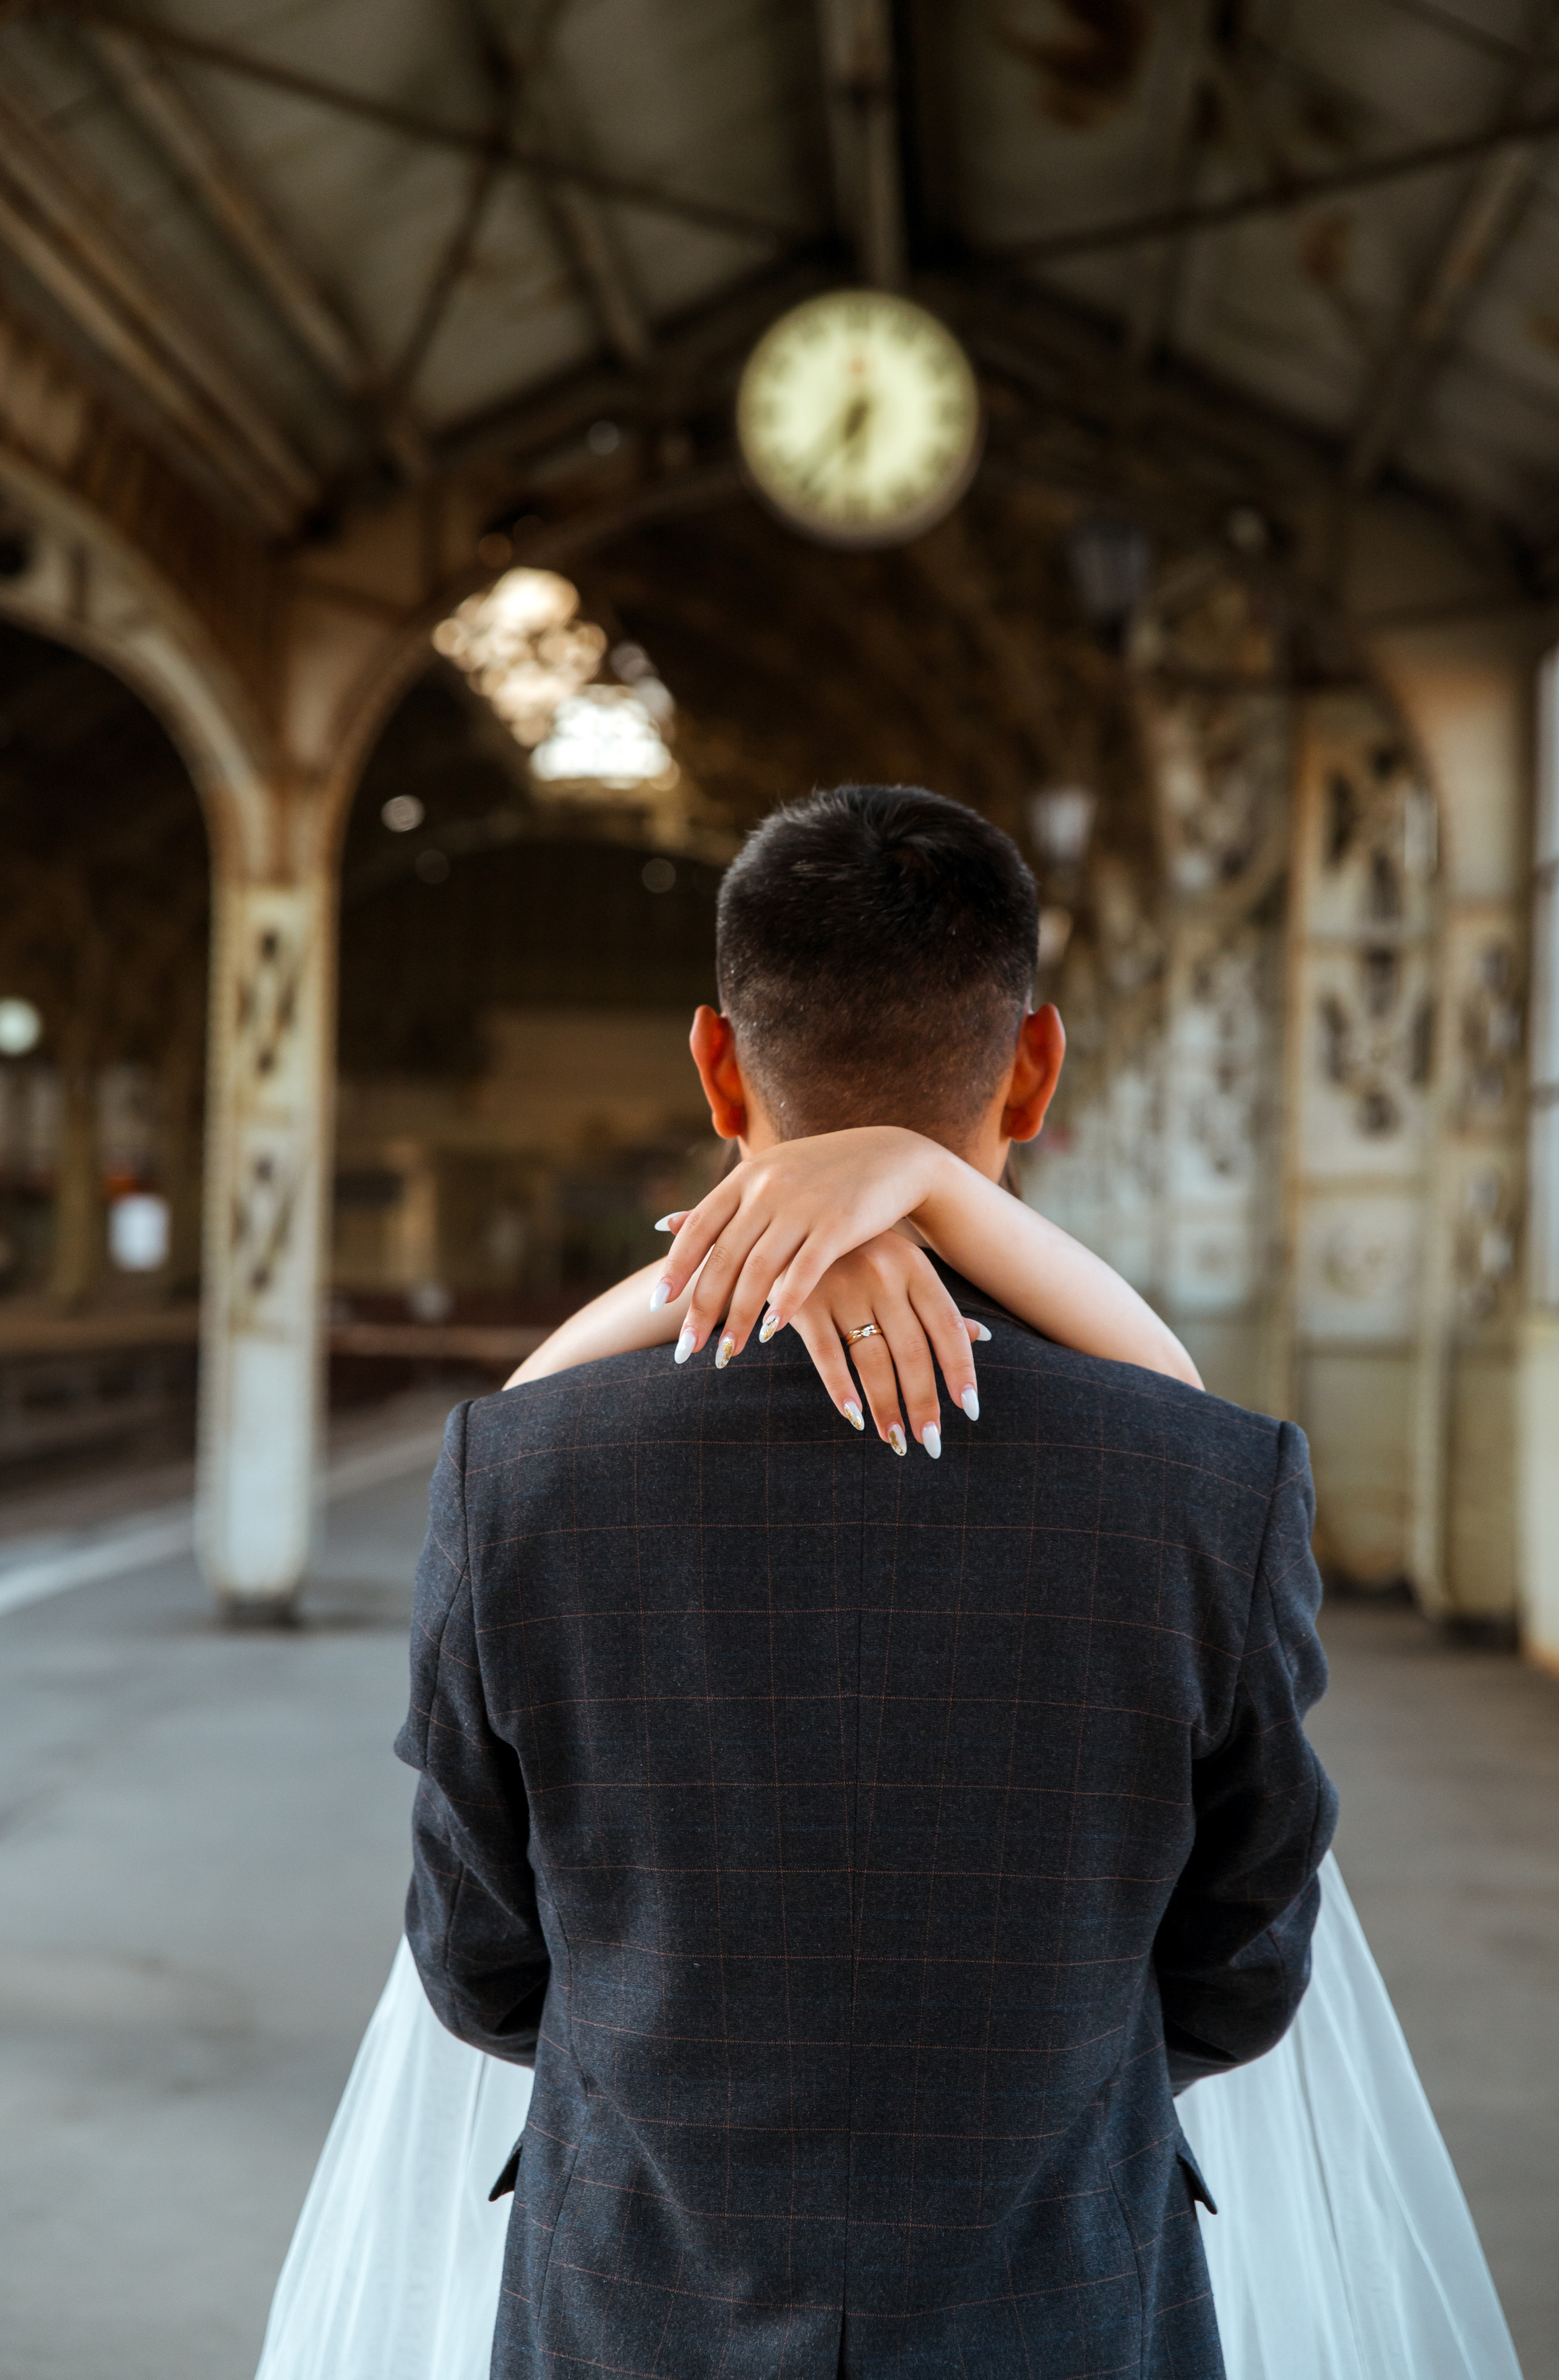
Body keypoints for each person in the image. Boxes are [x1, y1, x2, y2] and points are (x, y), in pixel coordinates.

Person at [256, 786, 1521, 2380]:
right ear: (1040, 1064)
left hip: (631, 2309)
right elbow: (1246, 1965)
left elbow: (479, 1961)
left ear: (718, 1065)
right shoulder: (1213, 1478)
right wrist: (919, 1189)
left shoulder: (517, 1473)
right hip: (1068, 2302)